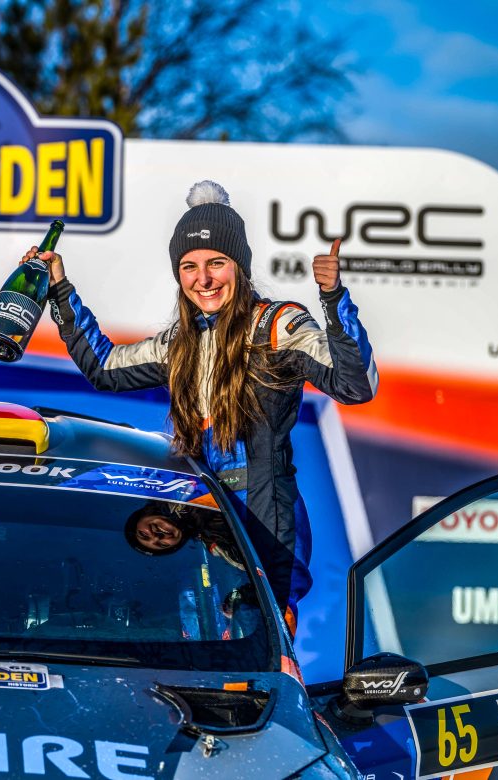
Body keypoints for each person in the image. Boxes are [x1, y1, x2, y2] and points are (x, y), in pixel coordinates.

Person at [38, 180, 377, 635]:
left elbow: (355, 385)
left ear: (240, 266)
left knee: (259, 632)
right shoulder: (181, 342)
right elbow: (105, 368)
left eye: (217, 263)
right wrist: (60, 290)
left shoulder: (277, 326)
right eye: (189, 266)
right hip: (202, 512)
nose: (204, 279)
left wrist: (334, 300)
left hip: (264, 512)